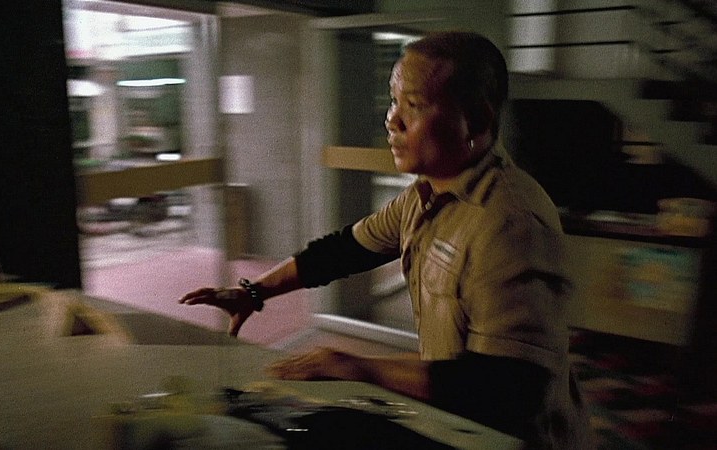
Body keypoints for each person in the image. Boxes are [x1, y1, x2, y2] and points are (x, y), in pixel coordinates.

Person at [179, 31, 591, 449]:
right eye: (394, 101)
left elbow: (508, 387)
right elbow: (344, 250)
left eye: (414, 105)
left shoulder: (509, 222)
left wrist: (358, 366)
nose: (392, 121)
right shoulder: (424, 196)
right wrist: (253, 292)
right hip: (456, 421)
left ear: (478, 121)